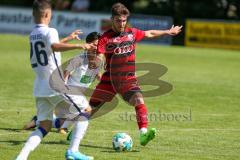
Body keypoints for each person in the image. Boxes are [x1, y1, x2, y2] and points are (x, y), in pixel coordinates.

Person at [89, 2, 182, 146]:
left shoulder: (131, 33)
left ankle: (144, 134)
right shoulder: (106, 38)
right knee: (92, 109)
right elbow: (100, 55)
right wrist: (96, 62)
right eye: (118, 20)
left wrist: (167, 32)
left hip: (128, 79)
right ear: (112, 19)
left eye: (124, 20)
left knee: (139, 100)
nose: (121, 23)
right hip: (109, 80)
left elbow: (149, 33)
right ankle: (74, 130)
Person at [15, 0, 95, 160]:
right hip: (55, 84)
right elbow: (54, 47)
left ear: (33, 14)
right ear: (46, 14)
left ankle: (21, 157)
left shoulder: (33, 34)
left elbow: (50, 46)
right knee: (85, 111)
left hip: (40, 87)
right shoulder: (50, 31)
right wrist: (80, 46)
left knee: (44, 126)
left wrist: (68, 38)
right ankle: (73, 150)